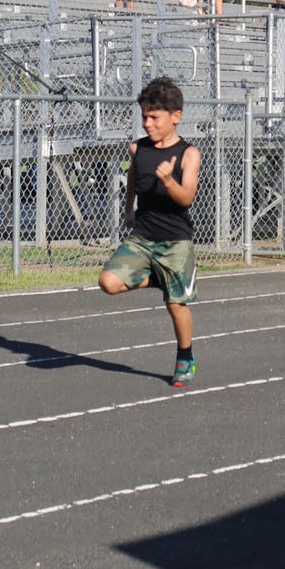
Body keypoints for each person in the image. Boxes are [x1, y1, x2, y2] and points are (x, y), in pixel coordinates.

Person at [97, 77, 202, 387]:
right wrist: (129, 208)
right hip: (142, 237)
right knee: (108, 282)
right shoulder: (137, 148)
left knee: (176, 305)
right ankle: (159, 277)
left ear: (175, 116)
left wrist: (169, 180)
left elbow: (187, 198)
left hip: (175, 241)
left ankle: (186, 356)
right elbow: (133, 177)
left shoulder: (189, 154)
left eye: (154, 117)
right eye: (144, 116)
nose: (147, 123)